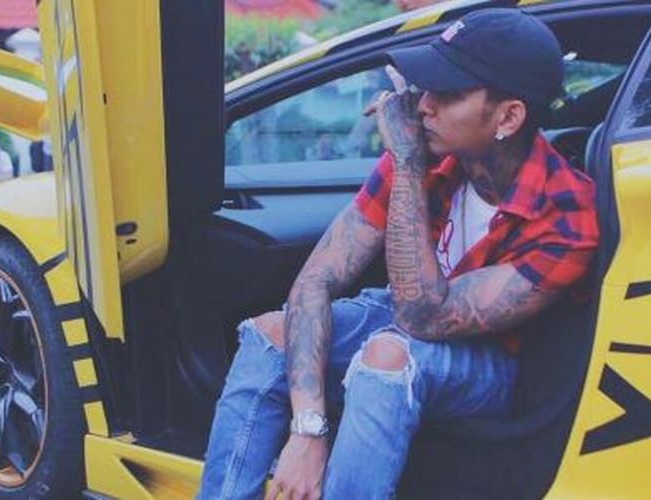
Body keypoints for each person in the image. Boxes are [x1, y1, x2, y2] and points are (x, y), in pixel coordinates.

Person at [199, 8, 599, 499]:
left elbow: (423, 318)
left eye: (447, 94)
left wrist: (408, 164)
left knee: (387, 359)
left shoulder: (567, 213)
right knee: (270, 334)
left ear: (508, 116)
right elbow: (315, 281)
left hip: (489, 358)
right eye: (425, 88)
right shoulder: (428, 154)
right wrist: (308, 428)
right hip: (401, 317)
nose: (422, 106)